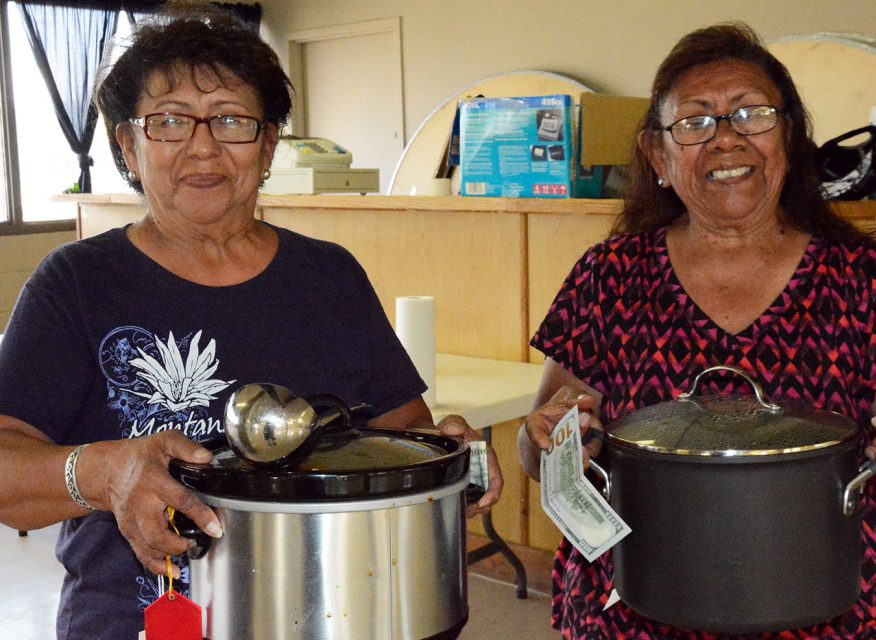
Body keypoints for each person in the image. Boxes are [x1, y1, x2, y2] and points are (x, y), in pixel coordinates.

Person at [0, 8, 501, 639]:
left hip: (334, 618)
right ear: (128, 145)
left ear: (267, 147)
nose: (202, 147)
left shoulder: (329, 275)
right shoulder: (76, 283)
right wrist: (103, 472)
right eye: (170, 121)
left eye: (231, 120)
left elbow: (402, 430)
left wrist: (449, 457)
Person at [518, 22, 876, 640]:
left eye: (752, 114)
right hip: (632, 613)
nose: (726, 139)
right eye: (694, 122)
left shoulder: (867, 278)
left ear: (790, 137)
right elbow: (541, 454)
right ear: (658, 156)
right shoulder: (608, 275)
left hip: (827, 614)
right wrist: (547, 437)